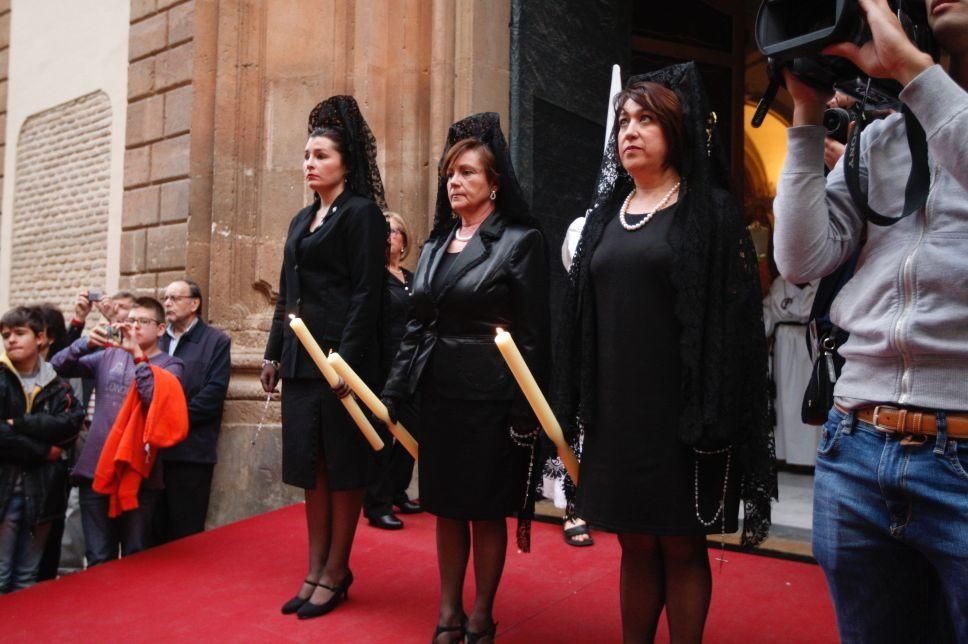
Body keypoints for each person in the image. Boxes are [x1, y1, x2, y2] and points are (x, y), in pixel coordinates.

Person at [552, 63, 776, 644]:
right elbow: (580, 320)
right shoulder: (604, 217)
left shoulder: (711, 213)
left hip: (681, 417)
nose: (630, 131)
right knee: (633, 540)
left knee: (679, 542)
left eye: (646, 119)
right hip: (617, 415)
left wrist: (716, 414)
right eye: (624, 121)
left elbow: (734, 325)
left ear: (675, 130)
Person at [773, 0, 968, 641]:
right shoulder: (883, 138)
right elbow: (801, 259)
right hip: (856, 444)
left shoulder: (931, 104)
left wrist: (913, 72)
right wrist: (804, 112)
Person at [382, 113, 549, 644]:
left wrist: (528, 408)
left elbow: (533, 332)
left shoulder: (521, 242)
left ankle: (481, 613)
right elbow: (417, 323)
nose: (455, 182)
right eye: (450, 174)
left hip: (492, 398)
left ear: (494, 184)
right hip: (439, 396)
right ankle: (448, 612)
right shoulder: (432, 245)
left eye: (469, 173)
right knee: (446, 509)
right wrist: (394, 391)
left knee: (484, 511)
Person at [261, 95, 388, 620]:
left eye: (321, 155)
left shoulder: (362, 215)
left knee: (343, 468)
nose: (309, 163)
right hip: (299, 361)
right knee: (311, 467)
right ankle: (314, 569)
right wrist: (272, 353)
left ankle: (337, 570)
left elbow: (368, 293)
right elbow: (288, 293)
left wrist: (347, 364)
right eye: (306, 155)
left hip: (340, 361)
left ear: (346, 163)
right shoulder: (299, 220)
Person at [50, 297, 184, 566]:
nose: (134, 327)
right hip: (95, 468)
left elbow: (152, 401)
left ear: (160, 329)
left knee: (135, 554)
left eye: (142, 322)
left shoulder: (171, 366)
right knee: (99, 556)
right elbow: (57, 366)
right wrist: (85, 343)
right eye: (130, 320)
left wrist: (138, 357)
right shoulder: (108, 355)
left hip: (139, 473)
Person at [0, 307, 83, 592]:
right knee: (0, 573)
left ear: (40, 338)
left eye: (19, 333)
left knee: (27, 576)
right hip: (5, 486)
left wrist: (20, 423)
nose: (11, 340)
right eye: (6, 335)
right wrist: (44, 451)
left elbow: (70, 425)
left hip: (44, 490)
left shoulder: (57, 383)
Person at [154, 279, 231, 542]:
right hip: (155, 452)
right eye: (165, 298)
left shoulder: (215, 341)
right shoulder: (158, 339)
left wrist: (169, 419)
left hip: (191, 453)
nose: (167, 304)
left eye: (174, 298)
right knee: (152, 534)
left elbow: (212, 395)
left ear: (194, 303)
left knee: (185, 534)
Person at [362, 212, 421, 530]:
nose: (388, 236)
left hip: (413, 367)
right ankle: (376, 503)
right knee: (383, 434)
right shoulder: (372, 278)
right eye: (382, 231)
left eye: (394, 230)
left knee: (414, 432)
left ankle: (398, 490)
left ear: (404, 239)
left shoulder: (411, 278)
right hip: (383, 368)